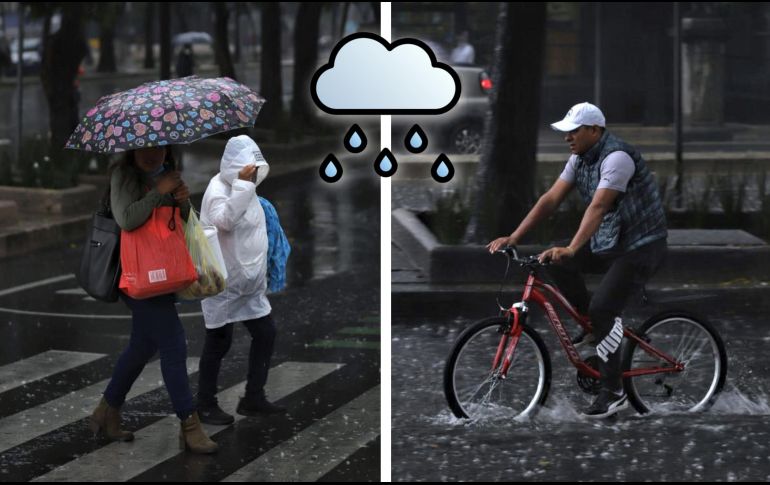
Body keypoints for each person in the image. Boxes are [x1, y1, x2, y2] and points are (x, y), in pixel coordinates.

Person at [487, 102, 668, 419]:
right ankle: (593, 326)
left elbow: (598, 207)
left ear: (595, 130)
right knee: (554, 261)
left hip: (642, 245)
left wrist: (572, 248)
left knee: (604, 308)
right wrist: (514, 237)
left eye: (574, 131)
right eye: (566, 132)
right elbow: (550, 199)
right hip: (612, 240)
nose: (567, 137)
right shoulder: (579, 159)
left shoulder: (617, 158)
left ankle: (613, 393)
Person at [89, 146, 218, 454]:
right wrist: (158, 192)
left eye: (159, 148)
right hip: (136, 274)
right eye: (146, 148)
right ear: (134, 148)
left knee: (143, 345)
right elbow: (127, 220)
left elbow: (186, 223)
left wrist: (182, 200)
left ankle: (106, 411)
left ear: (167, 148)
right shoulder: (124, 175)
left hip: (162, 272)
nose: (152, 154)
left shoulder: (169, 175)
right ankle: (190, 425)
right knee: (174, 344)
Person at [196, 135, 286, 425]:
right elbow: (224, 221)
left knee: (266, 334)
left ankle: (253, 397)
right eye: (249, 169)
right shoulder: (218, 189)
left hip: (249, 285)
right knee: (218, 342)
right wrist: (244, 186)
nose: (254, 174)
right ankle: (204, 404)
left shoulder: (246, 189)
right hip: (224, 284)